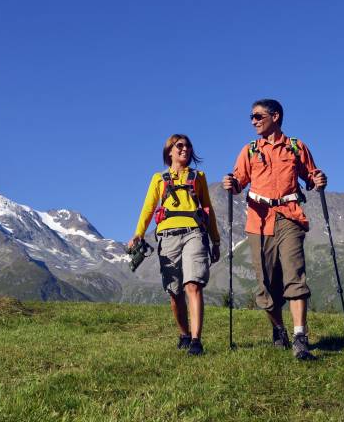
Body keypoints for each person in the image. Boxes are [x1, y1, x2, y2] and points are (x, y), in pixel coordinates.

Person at [222, 99, 327, 360]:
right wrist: (231, 183)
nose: (253, 121)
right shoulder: (249, 151)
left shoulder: (295, 147)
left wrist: (318, 179)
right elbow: (238, 183)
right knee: (266, 285)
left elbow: (311, 177)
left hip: (290, 217)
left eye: (258, 116)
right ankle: (279, 329)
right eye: (252, 117)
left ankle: (300, 338)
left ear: (275, 116)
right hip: (258, 222)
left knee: (295, 275)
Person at [129, 134, 220, 356]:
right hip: (168, 237)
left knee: (193, 285)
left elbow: (208, 209)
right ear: (169, 151)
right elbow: (148, 209)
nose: (185, 149)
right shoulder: (158, 179)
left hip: (194, 234)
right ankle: (184, 334)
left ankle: (196, 342)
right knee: (175, 292)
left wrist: (215, 240)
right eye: (180, 146)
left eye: (188, 146)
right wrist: (138, 234)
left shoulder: (198, 177)